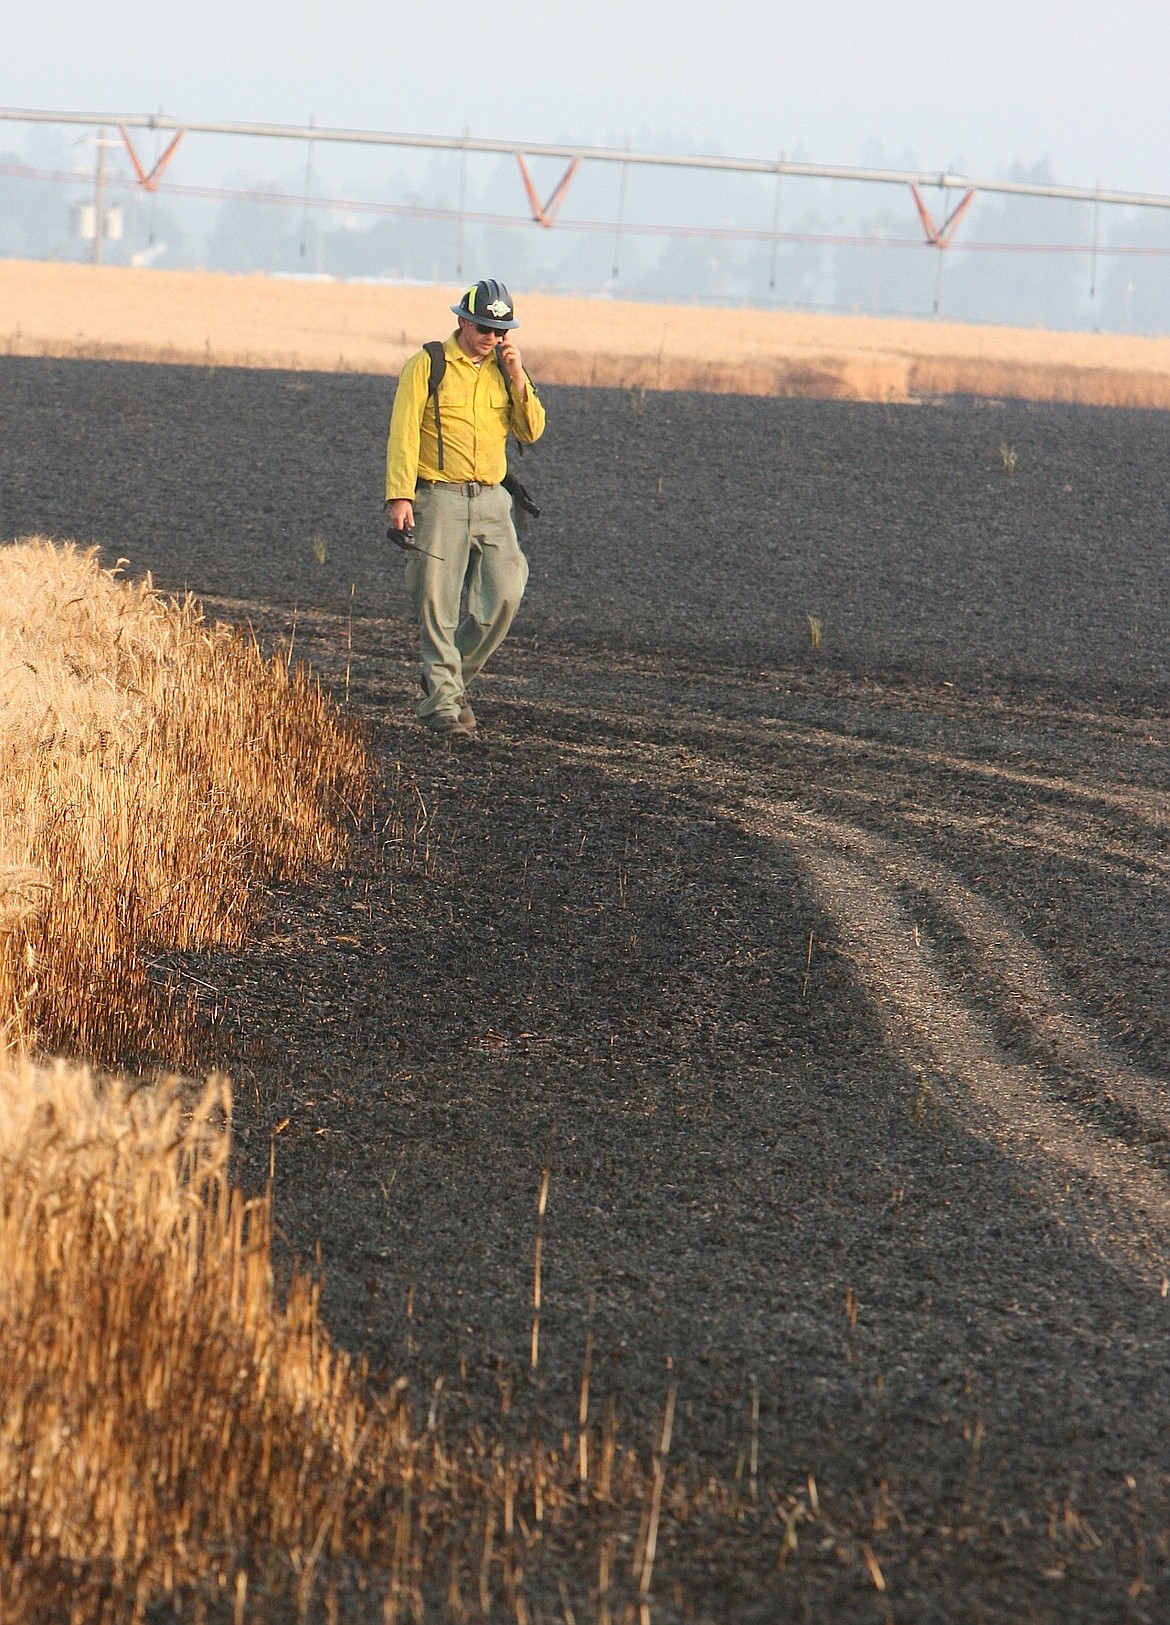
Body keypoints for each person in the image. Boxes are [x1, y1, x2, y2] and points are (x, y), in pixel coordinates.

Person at [385, 278, 547, 741]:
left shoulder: (504, 369)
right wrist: (399, 497)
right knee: (437, 603)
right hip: (438, 499)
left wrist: (518, 376)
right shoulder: (427, 365)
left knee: (506, 595)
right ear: (462, 320)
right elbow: (403, 433)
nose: (492, 338)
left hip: (494, 500)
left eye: (500, 331)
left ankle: (446, 682)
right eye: (483, 328)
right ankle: (442, 705)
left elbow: (531, 431)